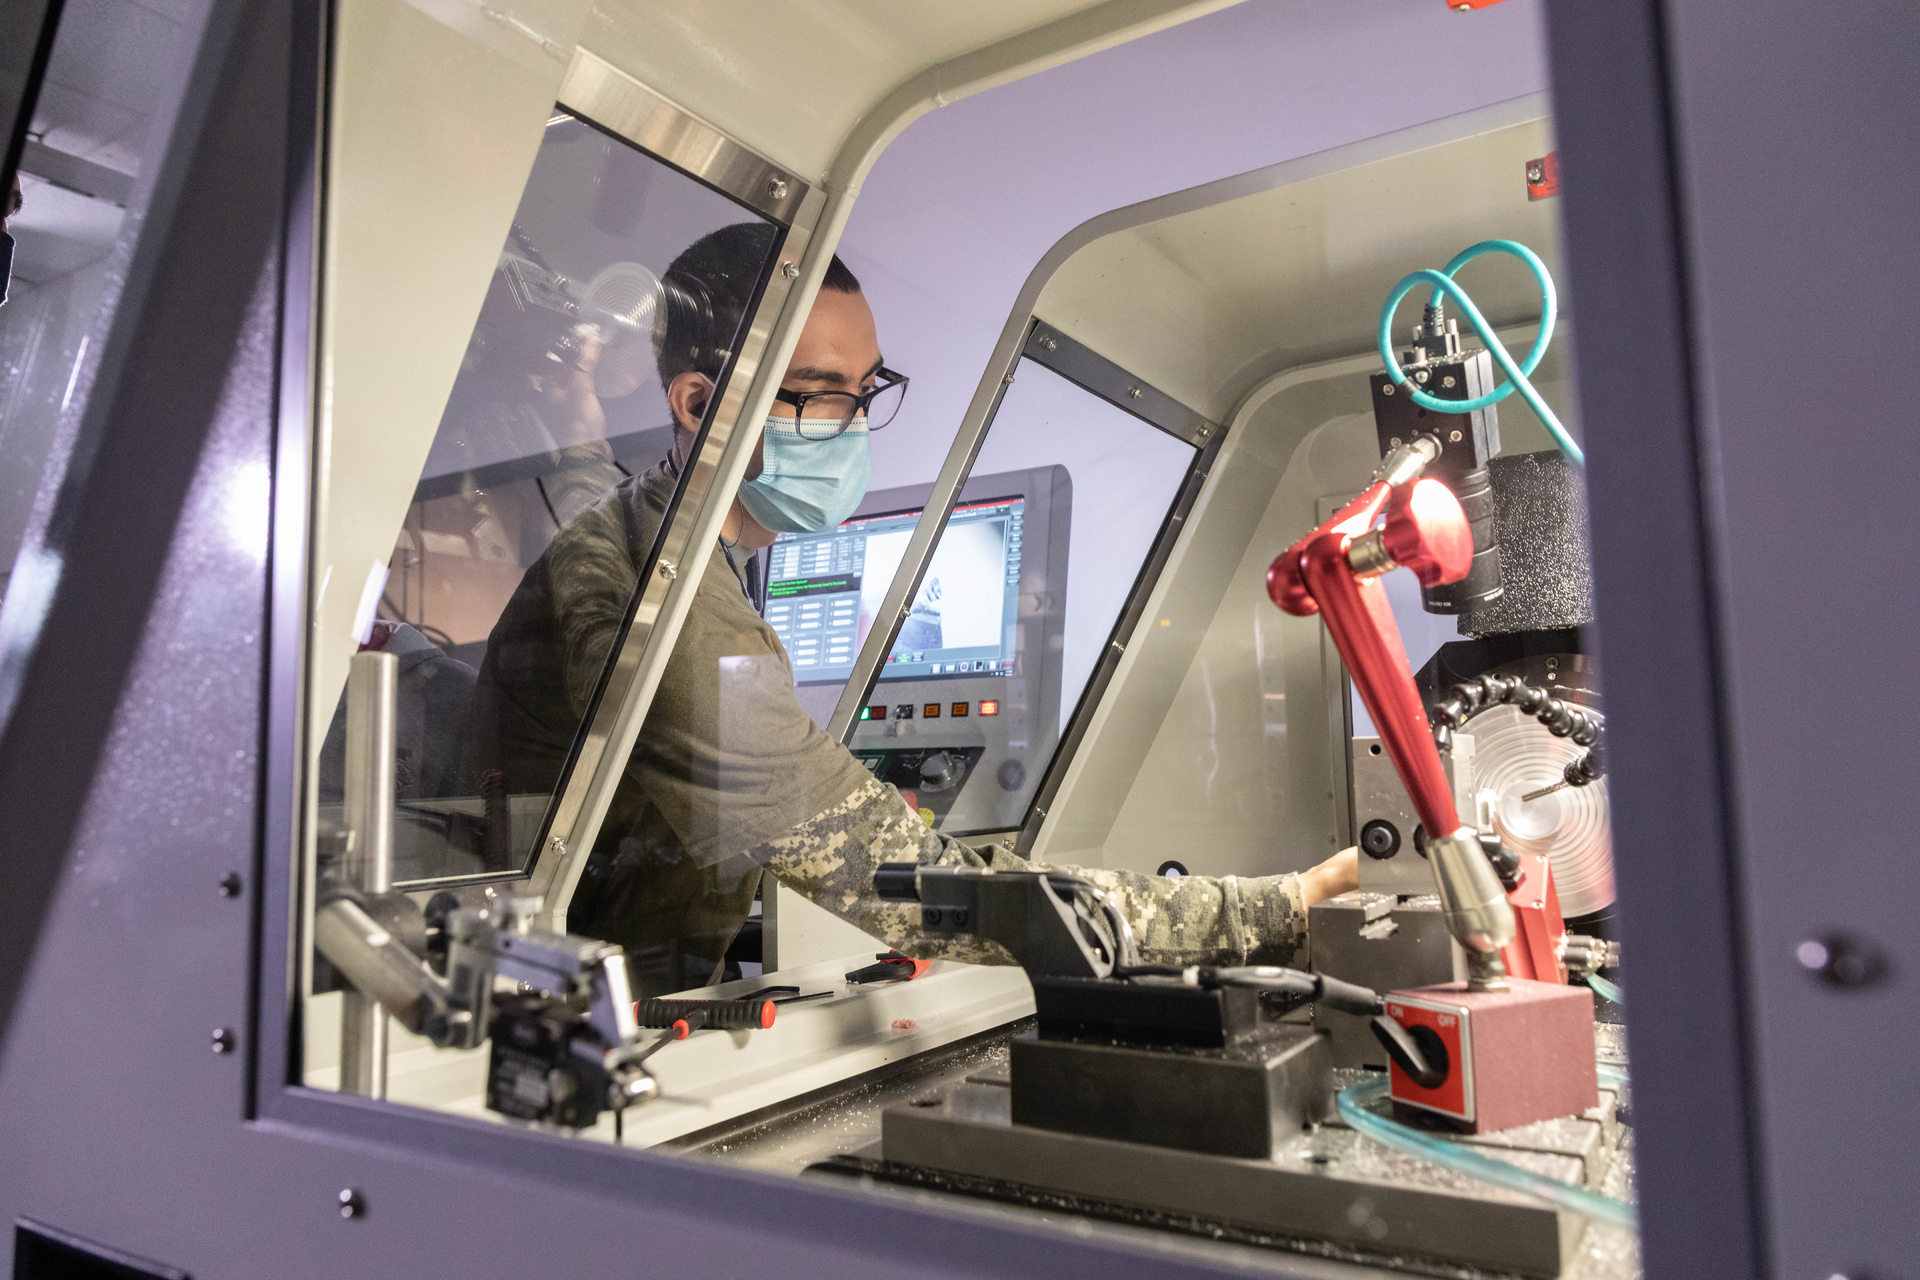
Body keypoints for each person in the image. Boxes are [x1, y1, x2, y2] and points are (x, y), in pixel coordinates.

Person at [470, 223, 1357, 996]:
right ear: (700, 406)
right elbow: (912, 888)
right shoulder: (668, 616)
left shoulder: (645, 527)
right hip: (556, 1039)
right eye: (823, 393)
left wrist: (580, 422)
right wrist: (1279, 909)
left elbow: (589, 482)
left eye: (867, 388)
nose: (855, 422)